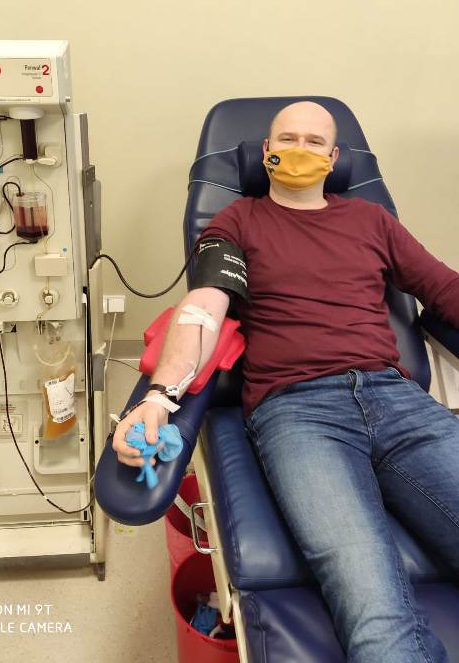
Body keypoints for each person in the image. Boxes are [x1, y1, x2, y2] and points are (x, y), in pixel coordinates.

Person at [112, 100, 459, 662]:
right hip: (299, 412)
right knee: (372, 603)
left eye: (314, 142)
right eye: (288, 139)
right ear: (266, 152)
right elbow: (203, 308)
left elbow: (443, 288)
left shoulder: (372, 221)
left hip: (397, 398)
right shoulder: (237, 221)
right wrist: (160, 395)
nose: (300, 150)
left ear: (334, 158)